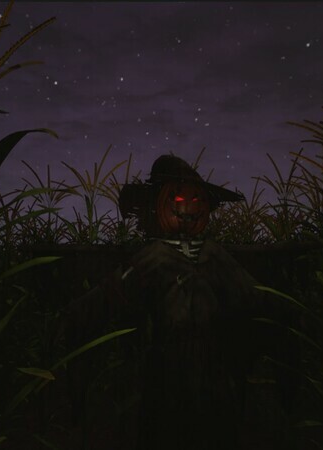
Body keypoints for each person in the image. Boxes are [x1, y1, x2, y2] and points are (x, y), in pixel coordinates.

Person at [66, 154, 298, 450]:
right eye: (177, 197)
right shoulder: (152, 258)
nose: (188, 206)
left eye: (197, 199)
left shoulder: (215, 256)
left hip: (214, 371)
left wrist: (288, 313)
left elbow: (255, 296)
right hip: (167, 370)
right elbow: (105, 299)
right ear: (159, 203)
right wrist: (76, 317)